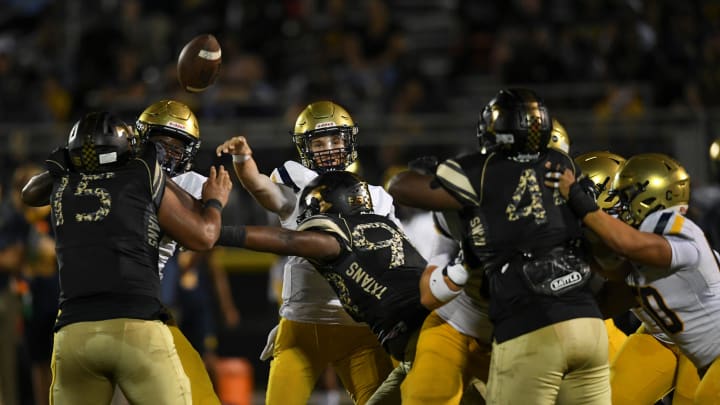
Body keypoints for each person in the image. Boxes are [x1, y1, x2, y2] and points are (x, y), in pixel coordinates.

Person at [388, 88, 610, 404]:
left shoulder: (478, 175)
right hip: (482, 318)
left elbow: (401, 186)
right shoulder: (565, 173)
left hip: (523, 323)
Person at [24, 111, 232, 405]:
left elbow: (29, 193)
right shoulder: (141, 174)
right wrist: (215, 201)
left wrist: (64, 162)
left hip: (73, 331)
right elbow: (205, 235)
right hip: (136, 324)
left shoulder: (63, 182)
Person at [215, 170, 468, 404]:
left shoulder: (339, 235)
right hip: (442, 329)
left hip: (429, 344)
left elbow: (286, 239)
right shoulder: (386, 223)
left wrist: (217, 232)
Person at [215, 100, 395, 404]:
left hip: (358, 328)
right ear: (304, 147)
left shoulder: (378, 198)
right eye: (319, 142)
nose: (328, 148)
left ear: (349, 141)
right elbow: (260, 188)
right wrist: (243, 160)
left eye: (335, 140)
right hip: (302, 325)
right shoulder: (297, 185)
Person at [547, 152, 718, 403]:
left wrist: (577, 201)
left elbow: (626, 246)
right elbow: (610, 300)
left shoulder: (664, 231)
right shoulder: (627, 250)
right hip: (662, 337)